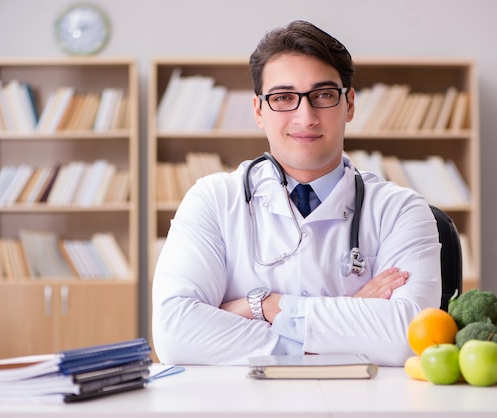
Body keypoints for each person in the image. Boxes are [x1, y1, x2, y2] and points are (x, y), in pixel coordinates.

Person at [152, 20, 442, 367]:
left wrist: (265, 306)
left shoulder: (401, 210)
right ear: (259, 110)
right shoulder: (213, 201)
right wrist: (350, 321)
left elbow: (408, 336)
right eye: (284, 98)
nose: (305, 117)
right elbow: (176, 335)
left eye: (322, 95)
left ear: (349, 104)